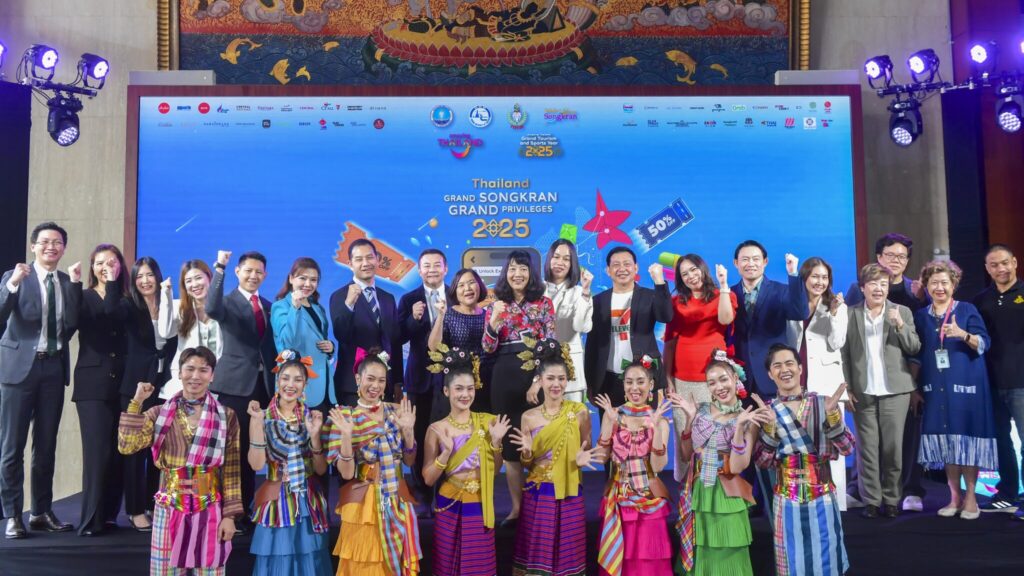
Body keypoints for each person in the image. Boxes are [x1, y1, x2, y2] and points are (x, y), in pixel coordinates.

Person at [118, 346, 240, 575]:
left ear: (212, 375)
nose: (195, 376)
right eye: (190, 369)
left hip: (209, 507)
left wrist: (230, 516)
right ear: (179, 372)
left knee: (210, 571)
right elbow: (127, 446)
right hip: (169, 507)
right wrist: (137, 402)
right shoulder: (159, 413)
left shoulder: (226, 416)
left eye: (203, 370)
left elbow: (232, 470)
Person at [0, 222, 82, 539]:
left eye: (57, 242)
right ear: (33, 246)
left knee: (46, 446)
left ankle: (40, 512)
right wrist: (13, 284)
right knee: (12, 447)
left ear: (64, 248)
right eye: (45, 241)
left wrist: (76, 286)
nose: (51, 246)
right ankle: (12, 515)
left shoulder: (66, 281)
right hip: (19, 370)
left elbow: (71, 325)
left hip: (53, 369)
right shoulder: (16, 276)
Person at [844, 233, 929, 512]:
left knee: (894, 448)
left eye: (901, 256)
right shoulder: (851, 310)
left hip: (898, 387)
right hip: (863, 389)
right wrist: (846, 387)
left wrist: (900, 325)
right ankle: (870, 499)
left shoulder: (906, 304)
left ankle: (893, 498)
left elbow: (915, 346)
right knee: (867, 449)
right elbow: (844, 352)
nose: (879, 288)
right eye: (890, 255)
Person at [755, 344, 853, 576]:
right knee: (792, 560)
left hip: (822, 494)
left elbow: (847, 448)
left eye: (789, 363)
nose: (784, 370)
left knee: (827, 558)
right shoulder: (767, 411)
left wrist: (833, 417)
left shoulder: (823, 403)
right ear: (770, 374)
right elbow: (763, 462)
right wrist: (769, 429)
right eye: (777, 366)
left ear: (800, 368)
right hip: (785, 497)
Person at [325, 348, 422, 576]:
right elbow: (346, 474)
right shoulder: (345, 416)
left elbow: (409, 460)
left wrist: (409, 432)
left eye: (381, 380)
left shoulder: (397, 412)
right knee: (365, 563)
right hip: (363, 502)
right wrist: (347, 435)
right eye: (370, 379)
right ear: (357, 379)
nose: (375, 386)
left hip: (397, 495)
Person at [674, 350, 771, 576]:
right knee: (701, 551)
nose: (719, 387)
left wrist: (739, 429)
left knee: (729, 552)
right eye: (712, 383)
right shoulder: (700, 410)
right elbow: (686, 456)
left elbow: (738, 466)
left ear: (736, 378)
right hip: (699, 491)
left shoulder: (749, 418)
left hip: (727, 495)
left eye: (723, 379)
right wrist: (689, 421)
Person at [913, 260, 998, 519]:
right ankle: (954, 497)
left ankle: (971, 497)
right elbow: (915, 354)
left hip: (968, 385)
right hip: (935, 387)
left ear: (954, 284)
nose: (939, 287)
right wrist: (914, 388)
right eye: (934, 283)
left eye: (944, 282)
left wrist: (963, 334)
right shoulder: (921, 316)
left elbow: (984, 343)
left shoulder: (967, 310)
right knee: (946, 442)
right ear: (926, 286)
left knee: (967, 439)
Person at [510, 338, 597, 576]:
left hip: (569, 487)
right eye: (550, 378)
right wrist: (527, 453)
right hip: (539, 490)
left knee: (569, 550)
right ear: (540, 380)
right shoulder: (528, 417)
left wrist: (581, 459)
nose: (556, 384)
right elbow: (526, 463)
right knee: (537, 550)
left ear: (568, 380)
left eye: (561, 378)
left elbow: (586, 446)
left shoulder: (579, 412)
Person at [422, 346, 511, 576]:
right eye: (459, 389)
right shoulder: (437, 429)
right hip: (450, 502)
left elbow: (495, 470)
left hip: (480, 503)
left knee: (479, 565)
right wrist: (444, 456)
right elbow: (428, 479)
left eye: (470, 389)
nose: (465, 395)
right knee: (448, 564)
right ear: (446, 391)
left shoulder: (488, 422)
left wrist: (496, 443)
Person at [481, 250, 556, 527]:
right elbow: (488, 348)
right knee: (512, 448)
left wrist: (538, 381)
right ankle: (516, 509)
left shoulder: (544, 303)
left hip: (534, 376)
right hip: (503, 377)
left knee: (538, 444)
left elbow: (550, 345)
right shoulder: (496, 304)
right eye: (512, 269)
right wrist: (493, 321)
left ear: (531, 273)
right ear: (506, 273)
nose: (517, 274)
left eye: (523, 269)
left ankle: (541, 507)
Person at [206, 249, 278, 528]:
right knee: (231, 452)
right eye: (248, 270)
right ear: (238, 272)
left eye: (259, 272)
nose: (253, 276)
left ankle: (245, 510)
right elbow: (211, 308)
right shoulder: (227, 302)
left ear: (265, 275)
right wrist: (219, 268)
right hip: (234, 387)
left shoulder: (270, 306)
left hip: (263, 388)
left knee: (253, 451)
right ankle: (227, 512)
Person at [105, 256, 177, 532]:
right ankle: (135, 510)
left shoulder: (170, 303)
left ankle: (154, 503)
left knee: (160, 449)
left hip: (164, 385)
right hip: (135, 387)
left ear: (157, 276)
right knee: (135, 450)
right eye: (139, 277)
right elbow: (110, 312)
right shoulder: (128, 305)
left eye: (149, 275)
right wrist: (113, 280)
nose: (145, 281)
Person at [247, 349, 332, 576]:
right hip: (276, 497)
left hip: (307, 499)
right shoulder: (262, 416)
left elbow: (321, 469)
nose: (290, 385)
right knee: (277, 559)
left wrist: (315, 437)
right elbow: (256, 465)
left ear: (305, 385)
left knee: (310, 559)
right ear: (277, 381)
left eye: (297, 380)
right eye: (285, 378)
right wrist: (256, 426)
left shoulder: (313, 418)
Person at [593, 361, 674, 576]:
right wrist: (608, 425)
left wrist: (657, 430)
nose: (634, 388)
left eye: (640, 382)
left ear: (651, 384)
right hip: (619, 498)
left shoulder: (659, 420)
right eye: (629, 382)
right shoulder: (613, 414)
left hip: (649, 497)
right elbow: (601, 458)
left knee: (648, 562)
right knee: (620, 561)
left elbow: (657, 466)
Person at [73, 243, 129, 536]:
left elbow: (115, 311)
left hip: (123, 383)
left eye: (112, 262)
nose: (106, 266)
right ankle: (90, 520)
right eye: (99, 263)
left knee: (118, 451)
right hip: (92, 384)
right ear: (92, 268)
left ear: (121, 266)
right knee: (97, 453)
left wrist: (113, 286)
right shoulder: (83, 296)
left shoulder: (126, 299)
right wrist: (106, 283)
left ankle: (109, 515)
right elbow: (83, 319)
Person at [664, 253, 736, 479]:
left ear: (703, 269)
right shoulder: (676, 303)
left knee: (715, 432)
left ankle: (715, 484)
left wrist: (723, 285)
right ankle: (685, 485)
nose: (691, 276)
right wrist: (668, 379)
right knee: (683, 431)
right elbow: (669, 343)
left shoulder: (723, 295)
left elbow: (726, 319)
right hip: (682, 378)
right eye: (684, 273)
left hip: (714, 380)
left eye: (694, 270)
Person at [787, 257, 849, 509]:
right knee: (801, 443)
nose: (820, 282)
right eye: (815, 276)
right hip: (797, 380)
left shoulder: (836, 306)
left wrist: (833, 314)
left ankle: (837, 501)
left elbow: (837, 342)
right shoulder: (793, 303)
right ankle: (804, 497)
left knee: (832, 440)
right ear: (804, 278)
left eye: (824, 277)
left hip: (826, 382)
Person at [585, 247, 672, 410]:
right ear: (608, 270)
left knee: (646, 425)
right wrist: (590, 382)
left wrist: (659, 282)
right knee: (610, 425)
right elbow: (592, 345)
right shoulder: (597, 301)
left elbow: (666, 316)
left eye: (627, 264)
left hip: (643, 378)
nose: (622, 269)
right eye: (616, 265)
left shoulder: (650, 296)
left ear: (636, 268)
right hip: (608, 379)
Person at [974, 245, 1024, 519]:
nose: (1000, 269)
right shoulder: (980, 301)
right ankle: (1007, 493)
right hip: (992, 383)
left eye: (1005, 263)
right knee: (1002, 442)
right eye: (994, 265)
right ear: (987, 269)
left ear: (1014, 262)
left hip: (1021, 383)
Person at [399, 249, 448, 511]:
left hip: (449, 381)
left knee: (447, 435)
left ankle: (445, 492)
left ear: (445, 269)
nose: (431, 270)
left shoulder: (456, 295)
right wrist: (413, 319)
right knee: (418, 436)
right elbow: (398, 337)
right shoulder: (409, 299)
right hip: (419, 379)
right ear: (419, 271)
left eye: (436, 265)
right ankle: (422, 494)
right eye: (426, 266)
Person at [330, 239, 404, 406]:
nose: (365, 263)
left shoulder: (388, 298)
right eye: (359, 259)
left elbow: (394, 341)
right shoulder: (340, 296)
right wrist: (349, 304)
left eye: (370, 257)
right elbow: (341, 334)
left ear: (377, 260)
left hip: (384, 385)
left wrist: (398, 381)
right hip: (352, 385)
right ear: (350, 264)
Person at [271, 257, 336, 411]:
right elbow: (288, 344)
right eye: (303, 278)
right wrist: (295, 307)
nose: (308, 284)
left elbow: (320, 337)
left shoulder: (317, 307)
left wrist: (331, 347)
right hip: (298, 386)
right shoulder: (280, 306)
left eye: (313, 280)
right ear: (291, 278)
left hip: (325, 384)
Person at [428, 268, 493, 415]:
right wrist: (440, 315)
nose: (467, 288)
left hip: (485, 383)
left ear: (480, 286)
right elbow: (434, 348)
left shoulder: (488, 315)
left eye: (471, 283)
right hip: (456, 384)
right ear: (455, 291)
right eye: (461, 285)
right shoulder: (448, 314)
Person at [537, 239, 594, 403]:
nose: (560, 262)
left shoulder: (580, 292)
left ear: (572, 264)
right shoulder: (536, 290)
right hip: (541, 368)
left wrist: (585, 293)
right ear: (549, 259)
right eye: (556, 257)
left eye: (566, 259)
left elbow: (582, 327)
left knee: (573, 416)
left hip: (571, 368)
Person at [157, 259, 222, 400]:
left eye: (198, 278)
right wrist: (166, 294)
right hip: (186, 379)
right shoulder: (179, 307)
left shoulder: (223, 307)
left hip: (217, 379)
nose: (195, 284)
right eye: (188, 281)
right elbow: (165, 332)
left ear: (209, 278)